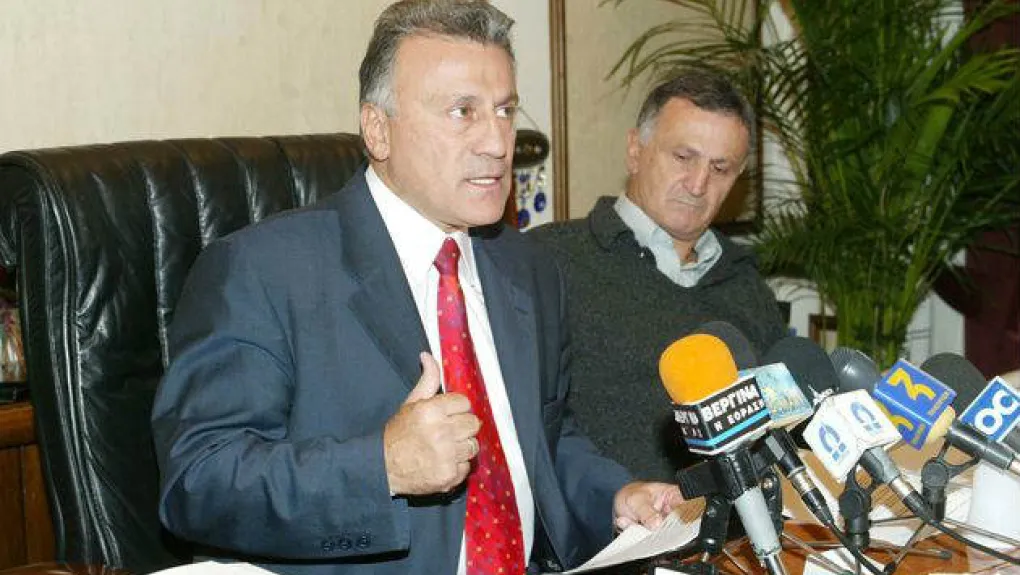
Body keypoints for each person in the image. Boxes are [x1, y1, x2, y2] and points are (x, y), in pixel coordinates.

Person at [150, 1, 683, 574]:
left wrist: (613, 498)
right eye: (462, 111)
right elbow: (197, 483)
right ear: (378, 130)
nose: (498, 143)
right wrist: (382, 467)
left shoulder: (529, 268)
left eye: (505, 110)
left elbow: (542, 444)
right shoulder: (263, 270)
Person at [529, 70, 787, 482]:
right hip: (610, 518)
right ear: (635, 150)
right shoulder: (548, 260)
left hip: (745, 518)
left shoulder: (745, 281)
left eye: (720, 168)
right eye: (683, 157)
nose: (698, 184)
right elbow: (526, 429)